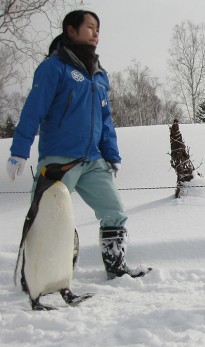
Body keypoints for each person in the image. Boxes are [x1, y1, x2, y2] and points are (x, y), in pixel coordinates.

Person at [6, 10, 149, 280]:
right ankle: (37, 276)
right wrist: (19, 152)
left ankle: (117, 269)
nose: (96, 34)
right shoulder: (53, 67)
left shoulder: (99, 75)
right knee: (47, 217)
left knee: (114, 211)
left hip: (93, 160)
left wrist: (111, 154)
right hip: (59, 160)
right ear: (71, 30)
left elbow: (105, 119)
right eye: (90, 27)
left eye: (98, 29)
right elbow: (32, 110)